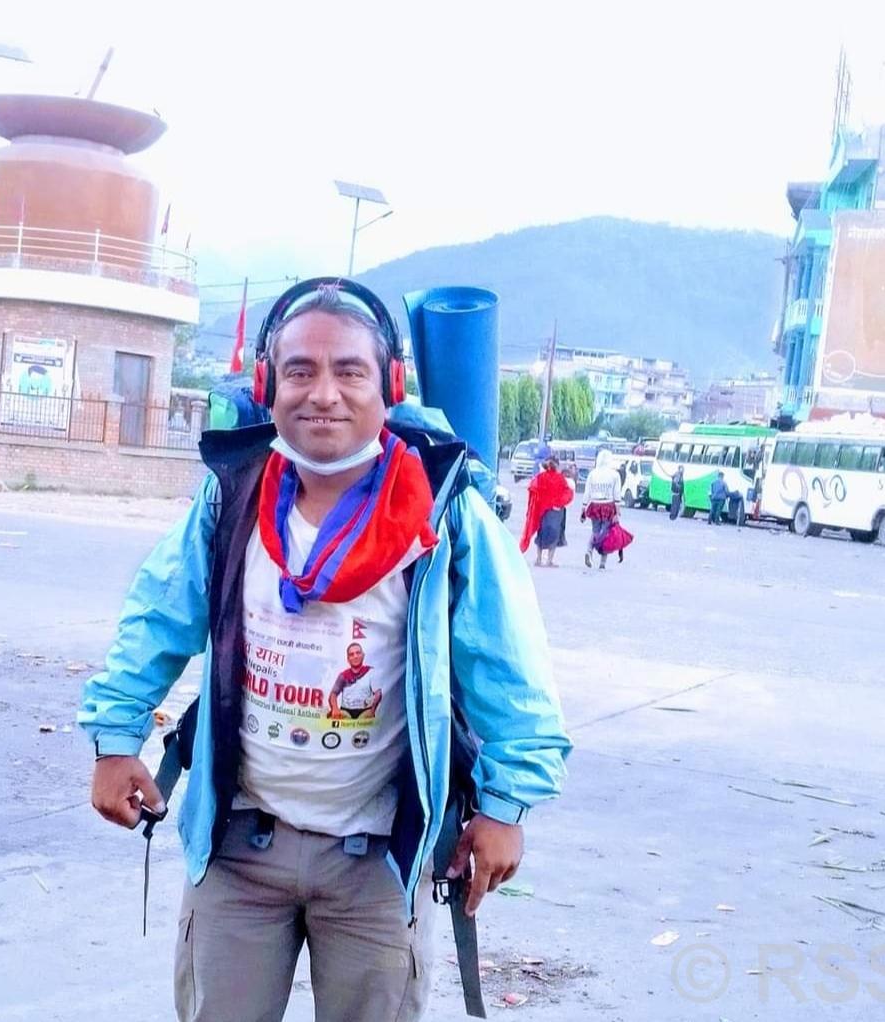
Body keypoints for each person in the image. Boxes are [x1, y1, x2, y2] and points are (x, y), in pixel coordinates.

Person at [78, 279, 571, 1022]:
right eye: (300, 371)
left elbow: (509, 668)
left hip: (380, 862)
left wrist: (505, 806)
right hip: (239, 847)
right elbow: (157, 616)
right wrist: (116, 740)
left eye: (350, 371)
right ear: (267, 384)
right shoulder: (232, 495)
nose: (324, 394)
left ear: (390, 385)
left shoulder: (445, 511)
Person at [519, 455, 574, 567]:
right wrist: (558, 503)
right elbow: (568, 493)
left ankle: (538, 559)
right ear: (557, 465)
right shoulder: (560, 478)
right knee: (555, 535)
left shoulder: (540, 477)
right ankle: (549, 560)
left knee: (541, 534)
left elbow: (533, 490)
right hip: (556, 511)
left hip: (542, 511)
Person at [580, 448, 625, 569]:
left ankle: (589, 551)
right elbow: (617, 494)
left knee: (595, 532)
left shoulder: (593, 474)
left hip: (594, 505)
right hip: (608, 506)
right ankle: (602, 562)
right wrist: (617, 512)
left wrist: (583, 508)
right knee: (606, 534)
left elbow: (587, 492)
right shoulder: (614, 475)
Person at [328, 642, 381, 719]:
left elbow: (378, 693)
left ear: (363, 655)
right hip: (346, 711)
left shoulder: (370, 672)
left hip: (365, 710)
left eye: (358, 653)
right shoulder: (343, 675)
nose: (355, 656)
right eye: (351, 654)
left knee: (365, 719)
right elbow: (333, 694)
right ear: (348, 659)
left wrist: (372, 710)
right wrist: (335, 708)